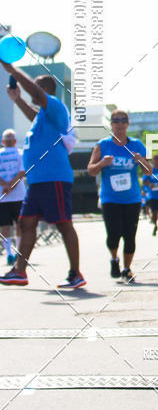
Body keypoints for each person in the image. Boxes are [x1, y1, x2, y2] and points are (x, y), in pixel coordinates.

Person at [0, 63, 86, 289]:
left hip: (54, 178)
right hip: (38, 182)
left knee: (64, 224)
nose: (31, 93)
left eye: (36, 89)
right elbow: (32, 113)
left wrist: (12, 70)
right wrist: (17, 99)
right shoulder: (42, 117)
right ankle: (19, 272)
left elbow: (36, 93)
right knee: (25, 223)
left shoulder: (56, 107)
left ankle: (75, 274)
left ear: (45, 90)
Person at [87, 110, 151, 283]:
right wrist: (102, 163)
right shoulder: (102, 145)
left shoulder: (136, 145)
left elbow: (149, 171)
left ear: (128, 124)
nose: (120, 124)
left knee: (130, 235)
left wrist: (142, 161)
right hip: (110, 198)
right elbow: (91, 170)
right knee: (113, 234)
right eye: (116, 121)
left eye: (123, 120)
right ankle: (114, 259)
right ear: (111, 124)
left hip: (132, 198)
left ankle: (127, 269)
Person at [0, 129, 26, 266]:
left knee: (8, 226)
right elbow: (22, 173)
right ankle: (13, 253)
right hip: (12, 195)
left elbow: (22, 173)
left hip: (6, 194)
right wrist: (10, 185)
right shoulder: (20, 153)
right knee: (16, 225)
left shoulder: (19, 154)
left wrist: (6, 185)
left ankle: (11, 253)